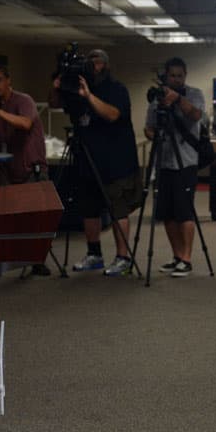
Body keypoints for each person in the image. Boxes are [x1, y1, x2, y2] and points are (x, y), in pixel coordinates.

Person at [52, 49, 141, 276]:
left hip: (115, 160)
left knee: (117, 210)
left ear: (106, 65)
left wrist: (89, 96)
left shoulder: (116, 89)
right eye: (89, 62)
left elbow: (112, 115)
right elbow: (57, 104)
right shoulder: (76, 88)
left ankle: (123, 258)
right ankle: (94, 255)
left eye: (97, 62)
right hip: (86, 157)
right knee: (88, 208)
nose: (93, 66)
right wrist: (58, 86)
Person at [142, 57, 205, 277]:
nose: (176, 79)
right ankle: (177, 255)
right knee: (167, 213)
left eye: (180, 75)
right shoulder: (157, 98)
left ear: (185, 76)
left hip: (185, 161)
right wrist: (156, 134)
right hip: (163, 160)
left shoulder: (194, 94)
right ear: (166, 76)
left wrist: (177, 99)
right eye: (172, 75)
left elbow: (196, 115)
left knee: (184, 212)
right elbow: (148, 128)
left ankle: (187, 259)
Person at [0, 65, 47, 186]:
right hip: (8, 173)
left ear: (8, 80)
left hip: (31, 172)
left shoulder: (23, 100)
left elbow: (26, 123)